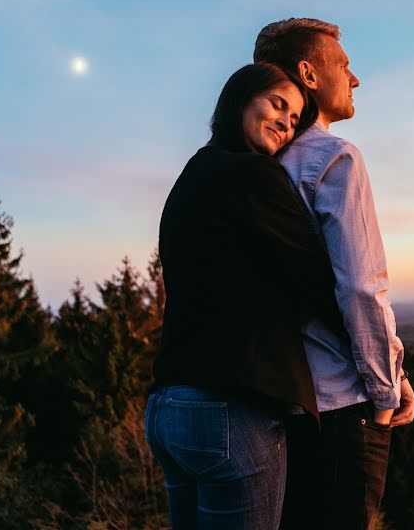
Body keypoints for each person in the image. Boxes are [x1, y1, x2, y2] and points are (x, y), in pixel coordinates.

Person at [145, 62, 345, 529]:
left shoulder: (193, 172)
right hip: (231, 412)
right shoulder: (254, 174)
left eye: (294, 119)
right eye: (277, 104)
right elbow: (320, 280)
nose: (285, 122)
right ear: (240, 99)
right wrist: (381, 364)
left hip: (169, 410)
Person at [254, 18, 414, 530]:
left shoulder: (259, 164)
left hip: (277, 406)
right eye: (343, 65)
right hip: (344, 403)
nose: (355, 78)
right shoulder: (334, 158)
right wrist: (387, 390)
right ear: (308, 73)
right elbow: (361, 287)